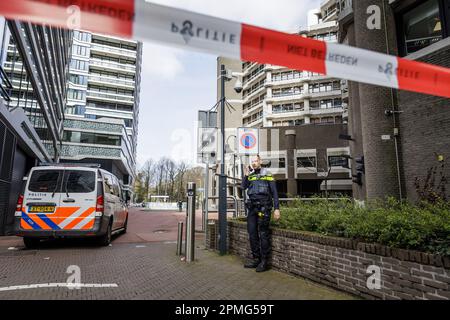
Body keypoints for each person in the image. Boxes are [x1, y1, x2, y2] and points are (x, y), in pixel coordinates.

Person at [241, 155, 280, 272]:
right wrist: (246, 175)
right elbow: (243, 186)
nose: (253, 163)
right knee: (252, 233)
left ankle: (264, 262)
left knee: (263, 234)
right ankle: (256, 259)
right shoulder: (251, 176)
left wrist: (277, 208)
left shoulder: (267, 174)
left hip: (264, 207)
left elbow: (274, 192)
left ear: (260, 161)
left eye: (255, 161)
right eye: (252, 161)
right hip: (252, 208)